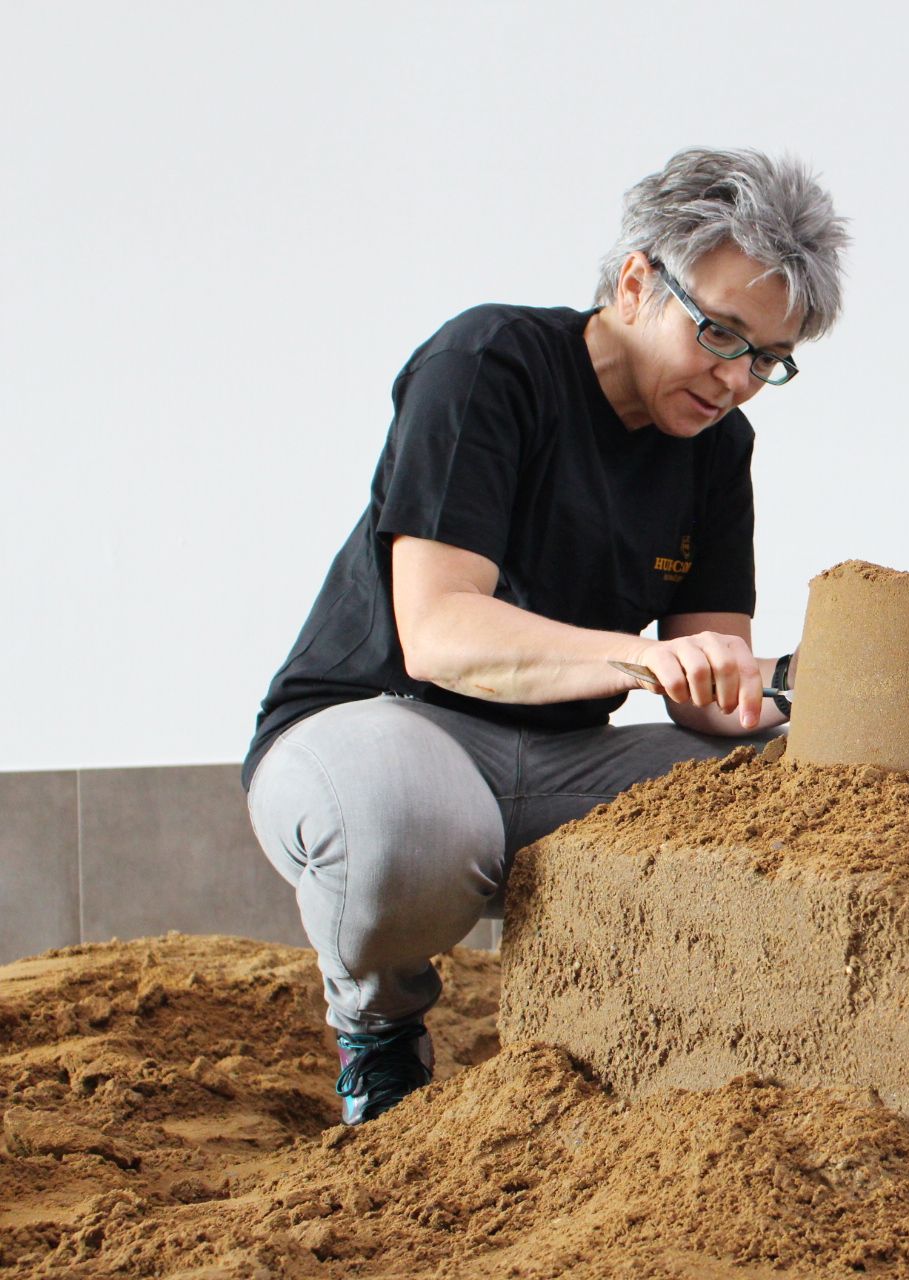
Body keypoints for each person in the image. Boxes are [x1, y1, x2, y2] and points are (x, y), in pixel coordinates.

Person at [243, 148, 847, 1123]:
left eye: (768, 359)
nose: (737, 379)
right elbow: (439, 630)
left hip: (562, 757)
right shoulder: (491, 364)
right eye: (719, 333)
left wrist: (804, 680)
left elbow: (712, 693)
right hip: (381, 727)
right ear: (637, 280)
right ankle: (379, 1031)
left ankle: (655, 1047)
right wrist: (642, 658)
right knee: (412, 823)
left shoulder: (716, 446)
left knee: (779, 790)